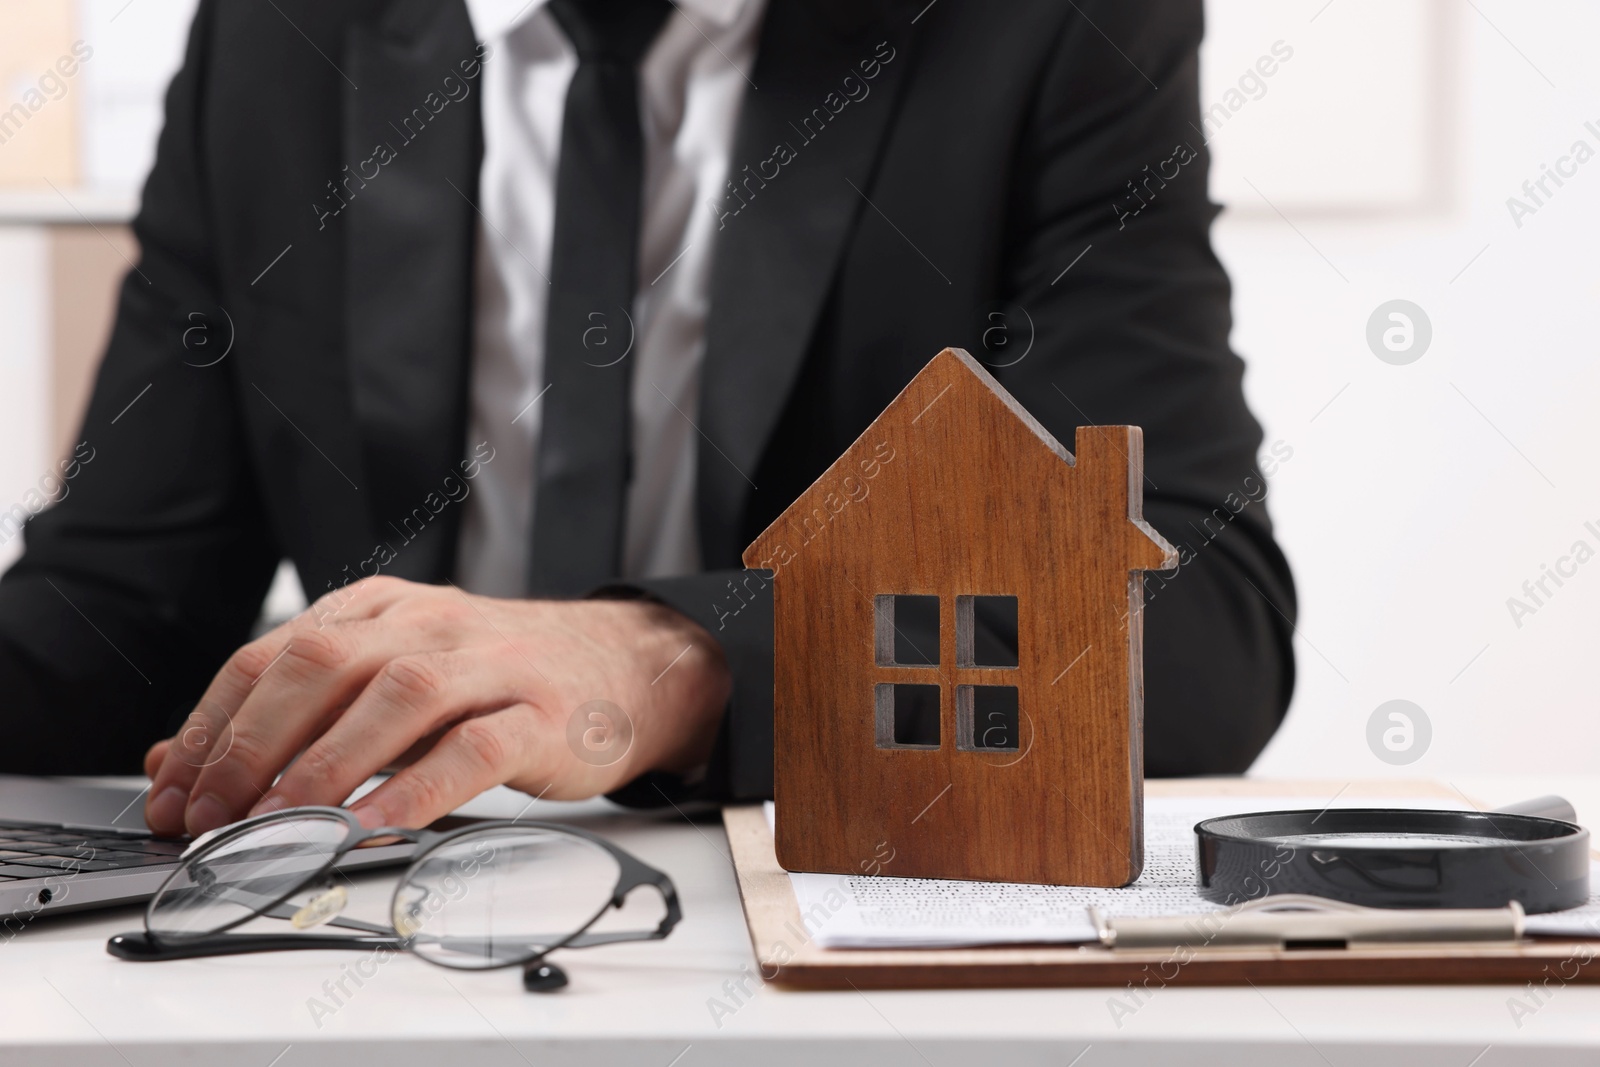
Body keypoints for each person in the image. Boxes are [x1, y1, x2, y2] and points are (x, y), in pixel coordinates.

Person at [0, 0, 1296, 837]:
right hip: (368, 910)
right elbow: (124, 606)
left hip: (784, 909)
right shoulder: (279, 32)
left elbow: (1198, 620)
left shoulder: (1051, 28)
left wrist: (671, 661)